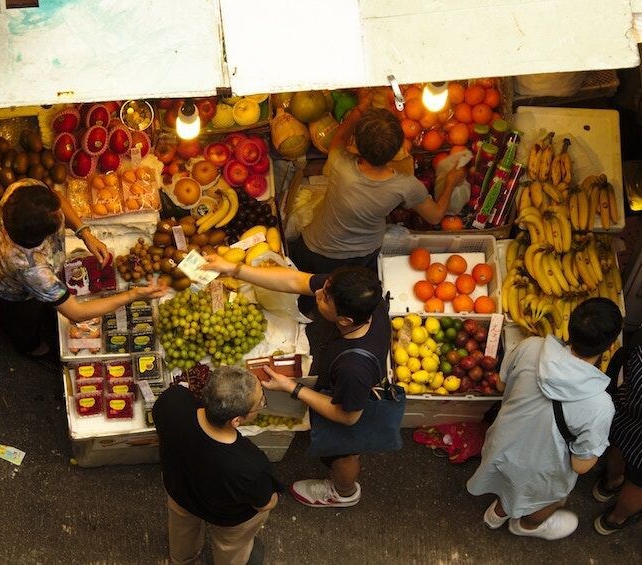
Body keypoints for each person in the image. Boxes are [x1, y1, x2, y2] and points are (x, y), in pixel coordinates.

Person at [204, 254, 388, 508]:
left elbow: (348, 417)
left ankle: (343, 492)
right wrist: (234, 268)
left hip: (347, 400)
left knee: (342, 451)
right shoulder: (362, 297)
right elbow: (295, 281)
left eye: (324, 299)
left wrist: (293, 388)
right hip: (337, 371)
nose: (318, 294)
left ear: (344, 320)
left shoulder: (354, 368)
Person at [467, 297, 623, 540]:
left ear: (569, 323)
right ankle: (526, 526)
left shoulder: (531, 346)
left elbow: (500, 383)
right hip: (539, 471)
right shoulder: (600, 406)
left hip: (502, 443)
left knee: (506, 481)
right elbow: (580, 466)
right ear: (610, 345)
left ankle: (494, 517)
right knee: (547, 499)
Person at [289, 89, 466, 279]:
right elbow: (435, 216)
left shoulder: (340, 162)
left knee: (302, 286)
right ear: (399, 149)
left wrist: (360, 109)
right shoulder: (406, 185)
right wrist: (450, 183)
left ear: (355, 144)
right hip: (361, 255)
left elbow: (339, 138)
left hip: (314, 247)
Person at [0, 179, 167, 356]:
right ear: (43, 238)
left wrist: (84, 233)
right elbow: (76, 313)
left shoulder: (19, 190)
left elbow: (56, 199)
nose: (61, 213)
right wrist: (132, 295)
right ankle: (29, 347)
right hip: (10, 287)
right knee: (24, 322)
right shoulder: (34, 269)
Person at [153, 366, 281, 565]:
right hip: (225, 517)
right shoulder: (249, 465)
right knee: (230, 548)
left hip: (180, 493)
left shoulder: (172, 401)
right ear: (237, 420)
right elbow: (266, 503)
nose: (263, 401)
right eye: (260, 402)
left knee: (182, 530)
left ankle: (182, 559)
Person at [592, 328, 642, 535]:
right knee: (639, 483)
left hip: (628, 412)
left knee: (620, 443)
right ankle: (614, 519)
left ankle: (609, 483)